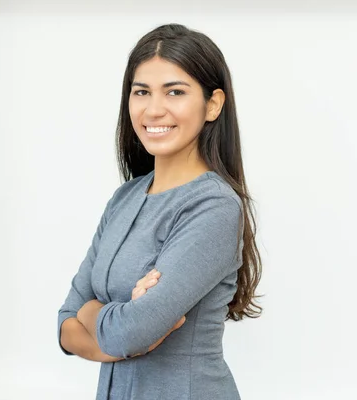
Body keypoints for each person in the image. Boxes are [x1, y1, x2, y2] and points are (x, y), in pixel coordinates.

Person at [57, 23, 262, 400]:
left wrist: (94, 316)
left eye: (175, 92)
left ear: (213, 104)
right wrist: (115, 329)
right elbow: (65, 325)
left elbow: (128, 332)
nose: (154, 109)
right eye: (141, 92)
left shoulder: (213, 206)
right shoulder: (125, 198)